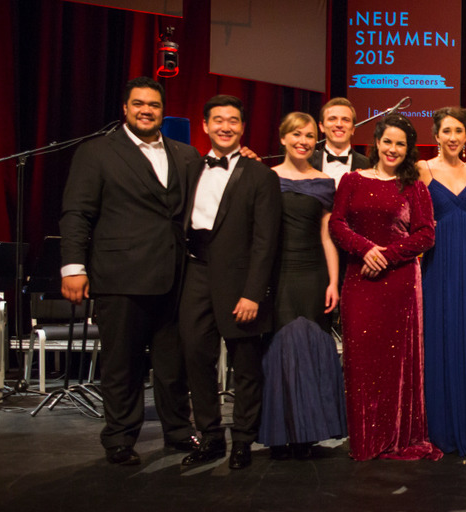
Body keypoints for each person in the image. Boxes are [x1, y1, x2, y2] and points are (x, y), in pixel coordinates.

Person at [60, 76, 197, 465]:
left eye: (153, 105)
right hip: (120, 276)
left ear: (162, 111)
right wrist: (73, 266)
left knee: (174, 365)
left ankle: (178, 431)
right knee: (123, 365)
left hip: (175, 277)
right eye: (138, 103)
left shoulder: (185, 155)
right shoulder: (97, 152)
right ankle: (119, 437)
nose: (146, 110)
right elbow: (77, 213)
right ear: (125, 108)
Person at [329, 113, 441, 461]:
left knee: (397, 364)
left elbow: (426, 234)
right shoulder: (351, 179)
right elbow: (336, 224)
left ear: (408, 150)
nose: (392, 149)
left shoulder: (414, 186)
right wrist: (366, 250)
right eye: (387, 141)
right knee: (361, 361)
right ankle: (366, 439)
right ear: (376, 142)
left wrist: (387, 255)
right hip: (359, 280)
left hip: (400, 283)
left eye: (400, 144)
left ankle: (396, 436)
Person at [178, 95, 282, 470]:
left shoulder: (262, 176)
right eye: (218, 120)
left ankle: (242, 439)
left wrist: (253, 292)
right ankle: (209, 436)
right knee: (195, 356)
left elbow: (266, 240)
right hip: (194, 273)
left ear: (243, 127)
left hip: (240, 283)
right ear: (205, 125)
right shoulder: (189, 168)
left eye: (233, 120)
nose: (226, 126)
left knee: (246, 365)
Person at [258, 112, 347, 460]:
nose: (303, 141)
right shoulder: (266, 178)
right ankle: (281, 433)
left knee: (310, 347)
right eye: (296, 134)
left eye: (310, 136)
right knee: (282, 349)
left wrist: (333, 282)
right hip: (278, 273)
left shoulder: (325, 182)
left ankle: (308, 432)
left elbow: (327, 236)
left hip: (312, 274)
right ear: (282, 138)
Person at [416, 107, 466, 457]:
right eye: (446, 130)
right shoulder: (422, 170)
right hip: (437, 265)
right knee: (439, 337)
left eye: (459, 131)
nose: (453, 137)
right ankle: (440, 425)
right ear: (436, 135)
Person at [309, 97, 372, 181]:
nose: (339, 124)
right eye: (332, 119)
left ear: (353, 128)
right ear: (321, 126)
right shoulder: (307, 162)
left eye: (345, 120)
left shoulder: (368, 165)